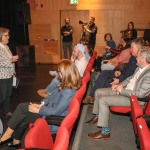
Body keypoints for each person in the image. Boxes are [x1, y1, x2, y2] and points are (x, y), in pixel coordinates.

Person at [0, 59, 81, 148]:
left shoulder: (68, 92)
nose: (58, 74)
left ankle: (7, 136)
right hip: (48, 110)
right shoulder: (67, 85)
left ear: (66, 74)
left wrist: (39, 110)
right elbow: (52, 97)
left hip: (51, 119)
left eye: (60, 72)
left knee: (22, 109)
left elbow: (55, 112)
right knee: (23, 113)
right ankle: (15, 141)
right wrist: (40, 104)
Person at [86, 46, 150, 140]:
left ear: (143, 59)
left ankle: (105, 132)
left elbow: (140, 94)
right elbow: (129, 79)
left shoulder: (148, 74)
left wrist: (121, 90)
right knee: (98, 92)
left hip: (133, 100)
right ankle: (97, 116)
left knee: (103, 100)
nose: (136, 58)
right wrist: (119, 85)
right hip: (125, 91)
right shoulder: (140, 67)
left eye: (138, 57)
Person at [82, 38, 143, 104]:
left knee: (106, 82)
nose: (130, 49)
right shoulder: (133, 57)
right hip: (122, 74)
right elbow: (127, 68)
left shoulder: (140, 60)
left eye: (132, 48)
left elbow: (132, 76)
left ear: (138, 49)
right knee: (104, 73)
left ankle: (95, 98)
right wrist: (120, 72)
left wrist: (119, 80)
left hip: (125, 79)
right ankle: (91, 96)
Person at [0, 27, 19, 117]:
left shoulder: (6, 47)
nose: (8, 37)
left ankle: (6, 111)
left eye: (8, 35)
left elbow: (10, 59)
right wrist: (12, 60)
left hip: (9, 74)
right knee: (2, 96)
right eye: (6, 35)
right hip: (2, 76)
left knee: (8, 95)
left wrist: (13, 71)